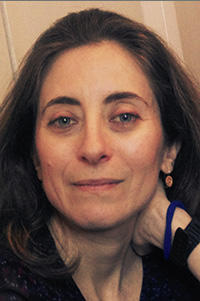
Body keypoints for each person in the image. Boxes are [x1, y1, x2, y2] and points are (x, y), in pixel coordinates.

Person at [0, 8, 200, 301]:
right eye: (64, 120)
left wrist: (179, 230)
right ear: (34, 155)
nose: (93, 149)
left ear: (169, 149)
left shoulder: (181, 274)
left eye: (124, 117)